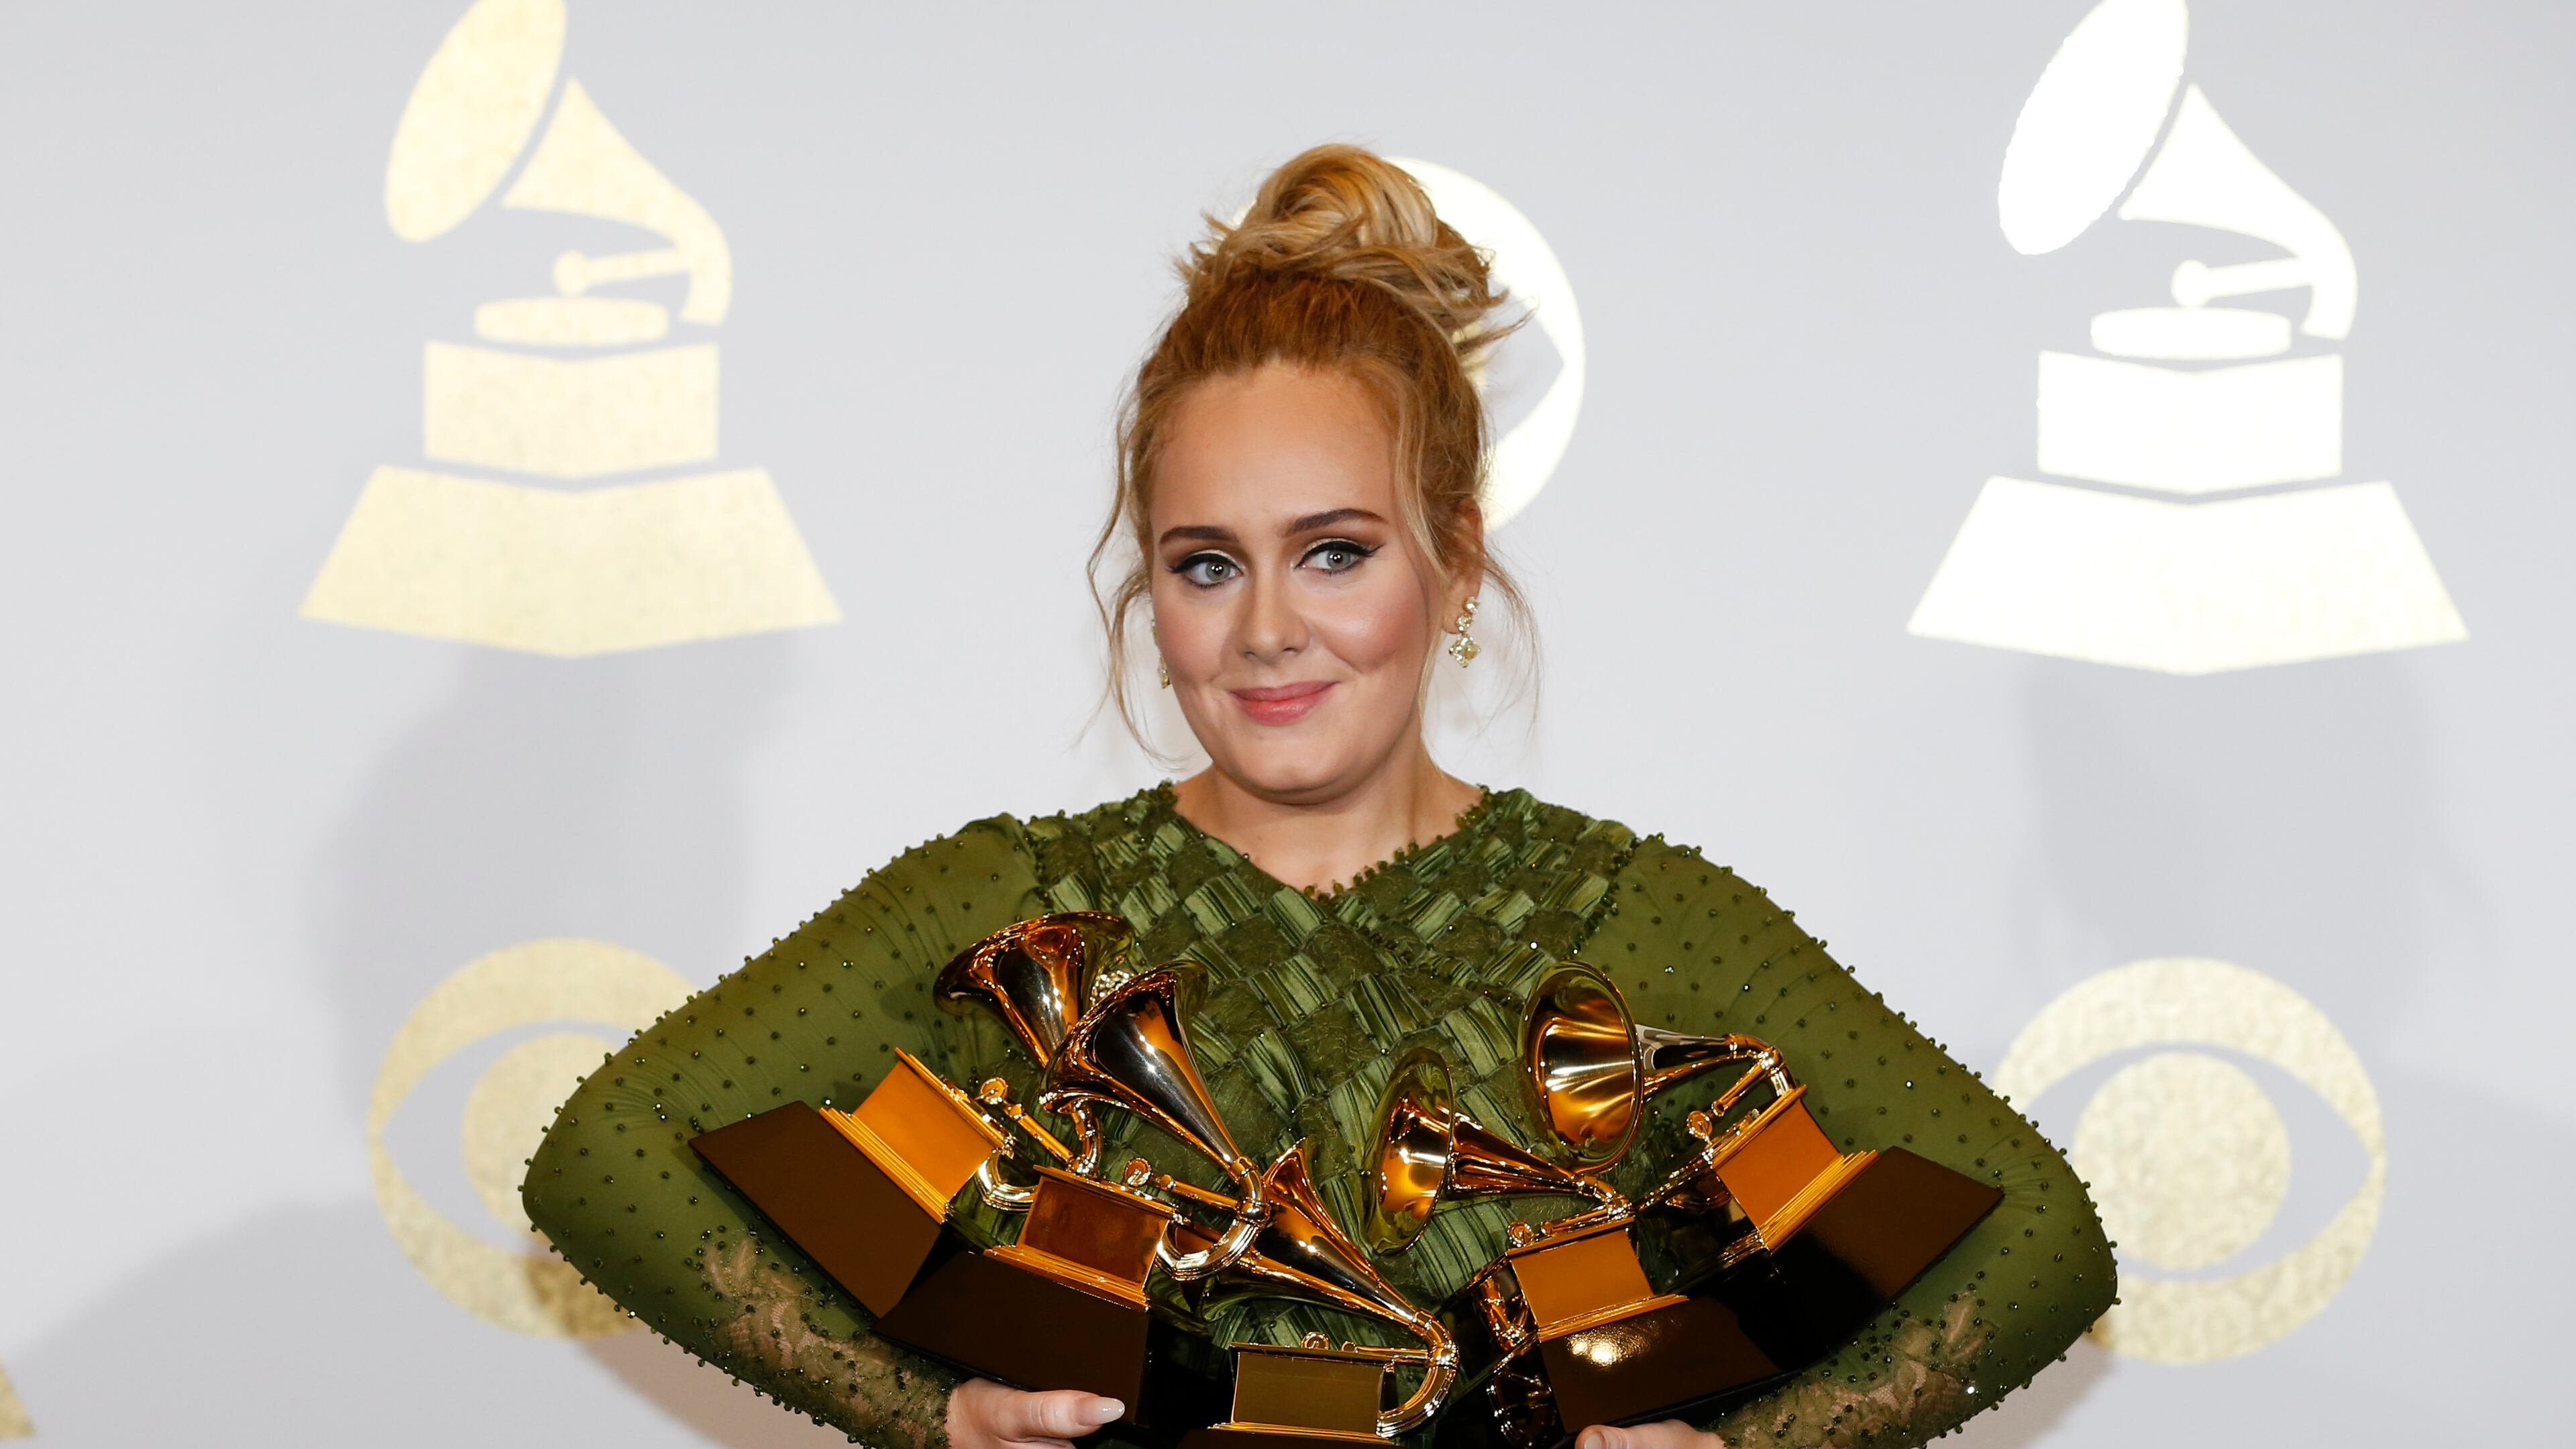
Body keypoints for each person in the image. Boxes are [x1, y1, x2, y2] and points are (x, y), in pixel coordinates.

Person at [523, 144, 2112, 1449]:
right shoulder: (1001, 903)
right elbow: (606, 1156)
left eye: (1334, 553)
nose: (1268, 627)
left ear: (1457, 561)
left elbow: (2041, 1235)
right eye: (1207, 565)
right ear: (1149, 597)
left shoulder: (1644, 916)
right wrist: (930, 1415)